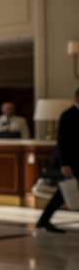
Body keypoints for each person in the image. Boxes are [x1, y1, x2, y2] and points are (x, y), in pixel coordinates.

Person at [36, 87, 79, 233]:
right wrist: (65, 164)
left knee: (61, 194)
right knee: (62, 193)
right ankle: (44, 219)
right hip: (71, 162)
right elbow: (63, 141)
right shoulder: (68, 115)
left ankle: (44, 219)